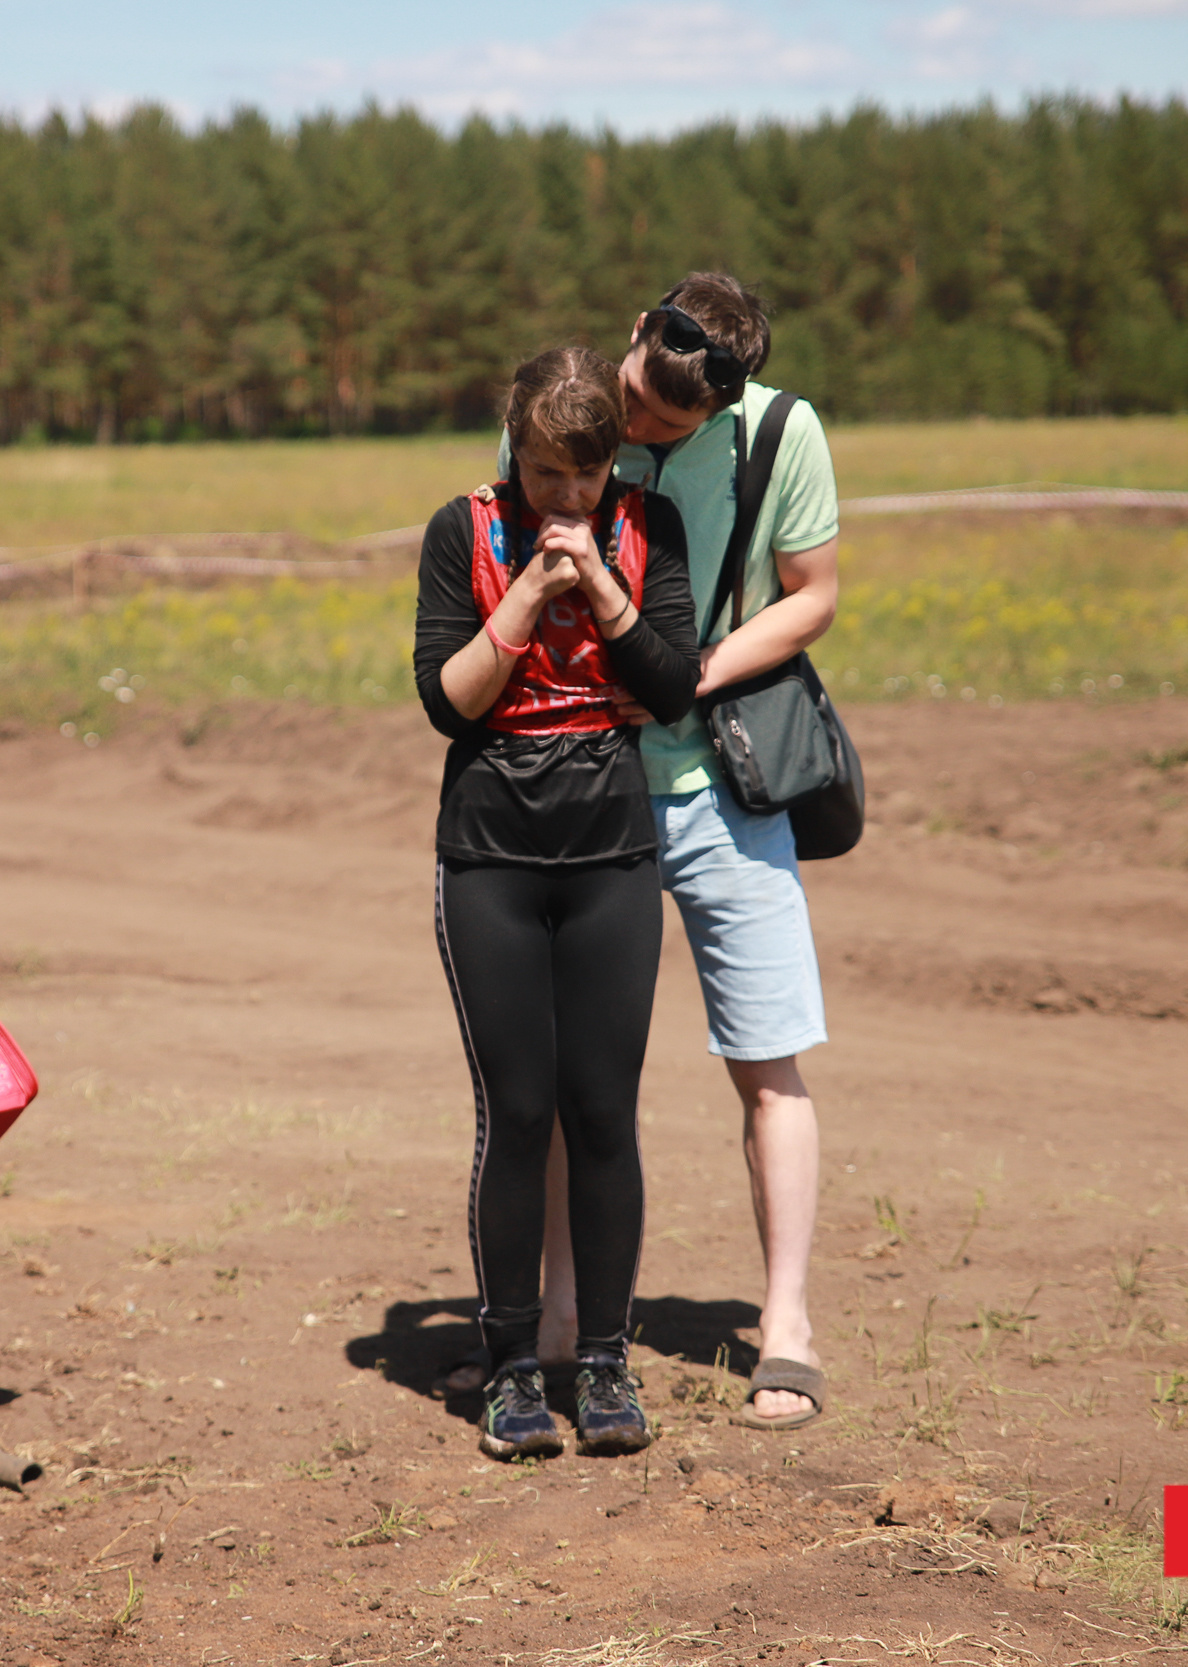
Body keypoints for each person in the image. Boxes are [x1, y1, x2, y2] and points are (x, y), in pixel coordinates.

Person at [465, 274, 841, 1431]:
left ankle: (785, 1324)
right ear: (635, 333)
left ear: (719, 416)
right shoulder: (576, 415)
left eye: (668, 434)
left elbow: (812, 596)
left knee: (768, 1055)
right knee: (582, 1081)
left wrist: (681, 682)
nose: (635, 437)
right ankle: (567, 1313)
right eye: (638, 406)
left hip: (724, 781)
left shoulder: (783, 433)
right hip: (585, 790)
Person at [415, 346, 699, 1460]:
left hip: (611, 849)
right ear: (515, 455)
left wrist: (607, 591)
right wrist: (533, 588)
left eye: (584, 479)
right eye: (545, 477)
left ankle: (609, 1366)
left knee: (602, 1115)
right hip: (489, 847)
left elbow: (673, 687)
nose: (567, 501)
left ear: (611, 463)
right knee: (519, 1115)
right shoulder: (462, 530)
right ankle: (511, 1370)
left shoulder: (647, 530)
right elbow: (447, 703)